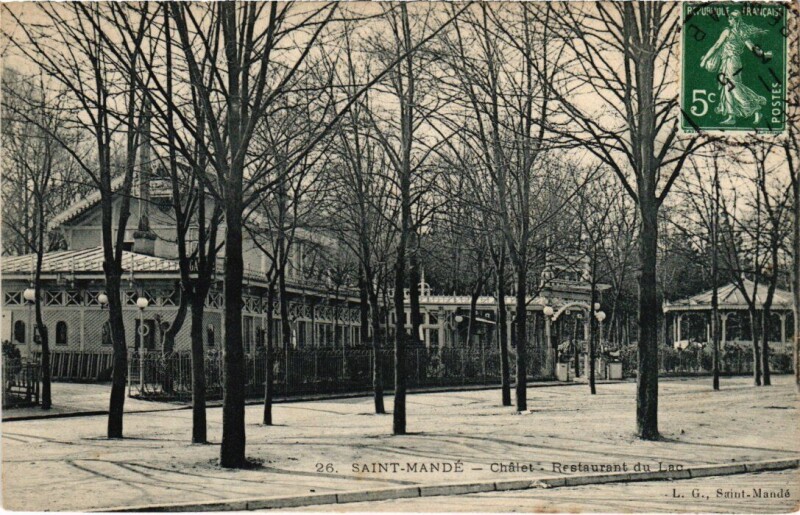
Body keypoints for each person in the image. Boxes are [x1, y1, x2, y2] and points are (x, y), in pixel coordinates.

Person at [700, 10, 771, 124]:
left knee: (734, 88)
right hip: (734, 62)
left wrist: (705, 59)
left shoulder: (727, 31)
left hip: (730, 62)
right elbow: (753, 48)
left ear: (735, 20)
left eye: (730, 19)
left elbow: (716, 46)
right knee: (728, 88)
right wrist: (763, 54)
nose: (729, 20)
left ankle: (755, 109)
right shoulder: (742, 33)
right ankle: (731, 116)